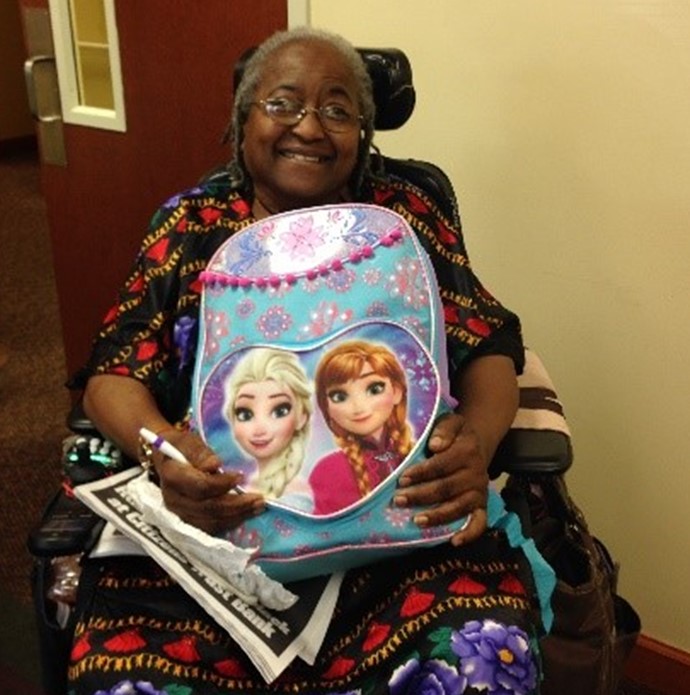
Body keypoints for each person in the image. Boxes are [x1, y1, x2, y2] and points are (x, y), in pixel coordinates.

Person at [68, 26, 552, 694]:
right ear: (242, 125)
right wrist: (163, 449)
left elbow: (490, 340)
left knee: (476, 663)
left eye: (336, 108)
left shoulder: (404, 215)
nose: (309, 127)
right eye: (282, 104)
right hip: (221, 527)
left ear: (364, 133)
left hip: (397, 527)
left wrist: (481, 438)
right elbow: (113, 372)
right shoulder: (191, 224)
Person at [310, 340, 412, 514]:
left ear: (396, 392)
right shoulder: (328, 471)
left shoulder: (418, 451)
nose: (358, 407)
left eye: (374, 389)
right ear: (326, 407)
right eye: (339, 396)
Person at [224, 347, 313, 503]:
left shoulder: (296, 492)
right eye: (245, 414)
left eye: (280, 411)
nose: (259, 430)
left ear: (302, 417)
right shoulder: (242, 484)